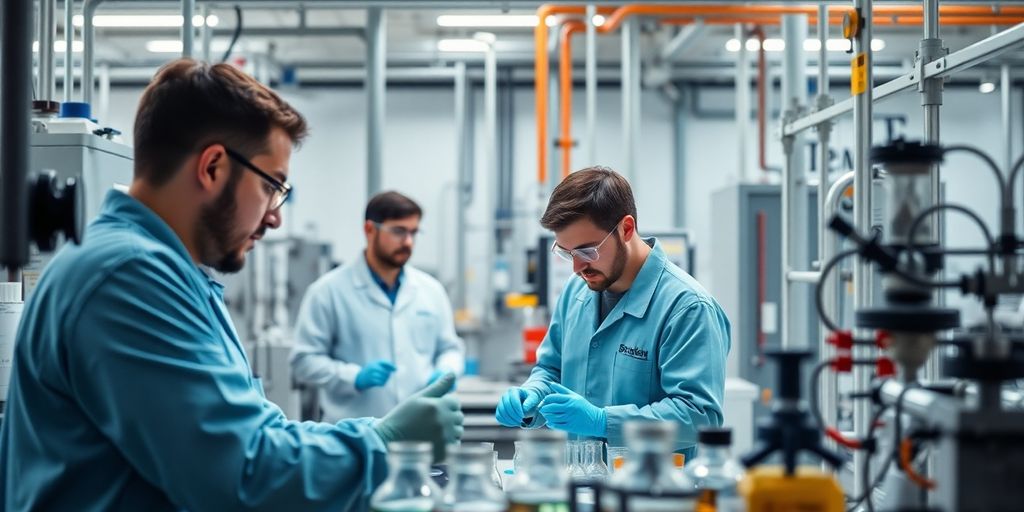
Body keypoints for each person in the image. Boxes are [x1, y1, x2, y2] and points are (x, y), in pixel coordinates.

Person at [0, 59, 462, 511]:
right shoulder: (130, 276)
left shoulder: (169, 272)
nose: (276, 216)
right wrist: (382, 445)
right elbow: (242, 476)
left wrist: (376, 431)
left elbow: (258, 435)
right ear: (214, 167)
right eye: (272, 187)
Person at [494, 167, 730, 459]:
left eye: (587, 251)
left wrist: (604, 422)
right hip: (581, 480)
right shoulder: (575, 291)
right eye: (566, 253)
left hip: (654, 492)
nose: (576, 268)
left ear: (626, 229)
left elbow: (699, 416)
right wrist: (532, 395)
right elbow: (551, 369)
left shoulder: (688, 308)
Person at [290, 191, 465, 422]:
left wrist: (446, 370)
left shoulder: (431, 290)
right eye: (399, 231)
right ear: (370, 230)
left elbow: (450, 348)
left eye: (413, 232)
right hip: (353, 436)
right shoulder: (327, 292)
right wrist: (354, 377)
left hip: (419, 431)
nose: (408, 242)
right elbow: (304, 360)